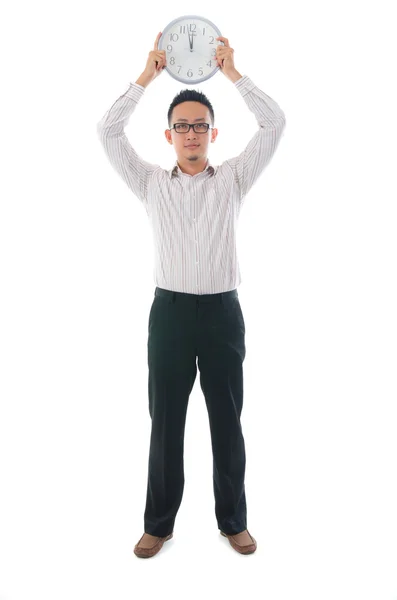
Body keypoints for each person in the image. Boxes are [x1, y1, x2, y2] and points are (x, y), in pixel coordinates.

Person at [97, 31, 286, 558]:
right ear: (170, 136)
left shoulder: (234, 179)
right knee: (166, 424)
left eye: (199, 125)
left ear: (212, 132)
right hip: (171, 314)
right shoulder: (151, 183)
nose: (191, 134)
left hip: (223, 314)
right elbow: (108, 132)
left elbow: (275, 123)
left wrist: (231, 73)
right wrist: (146, 77)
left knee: (227, 421)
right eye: (181, 126)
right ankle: (158, 524)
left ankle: (234, 521)